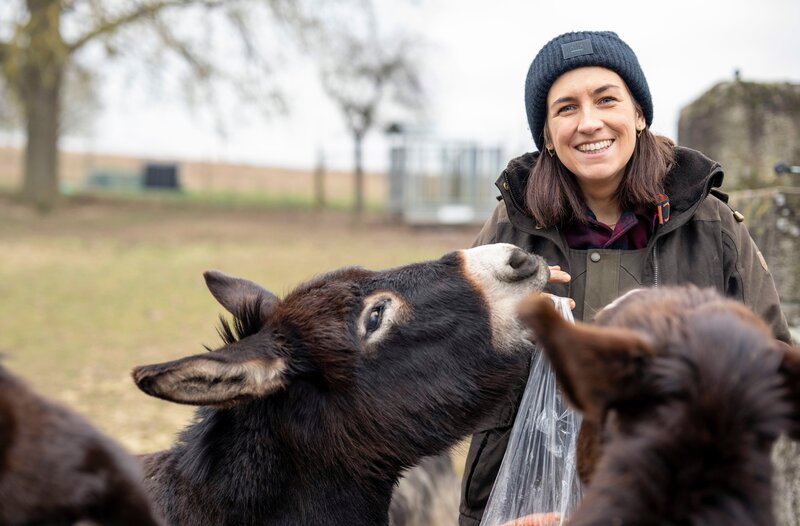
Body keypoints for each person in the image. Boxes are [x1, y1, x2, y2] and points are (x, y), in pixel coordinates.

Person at [458, 30, 792, 526]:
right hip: (528, 505)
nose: (589, 122)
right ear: (547, 133)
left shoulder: (712, 226)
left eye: (607, 99)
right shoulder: (511, 227)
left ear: (638, 113)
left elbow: (773, 361)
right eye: (565, 108)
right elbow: (458, 369)